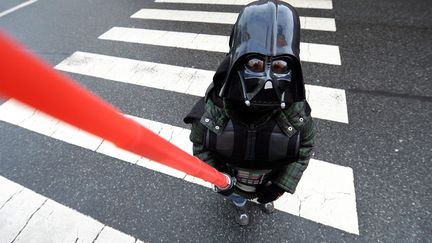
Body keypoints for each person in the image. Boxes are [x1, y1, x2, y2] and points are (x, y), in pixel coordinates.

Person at [184, 0, 314, 226]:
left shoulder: (295, 110)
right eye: (255, 64)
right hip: (232, 178)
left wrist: (281, 185)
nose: (267, 80)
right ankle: (240, 205)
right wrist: (217, 177)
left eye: (280, 67)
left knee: (264, 194)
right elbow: (200, 143)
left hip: (269, 178)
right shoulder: (216, 104)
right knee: (237, 196)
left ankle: (262, 200)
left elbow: (305, 146)